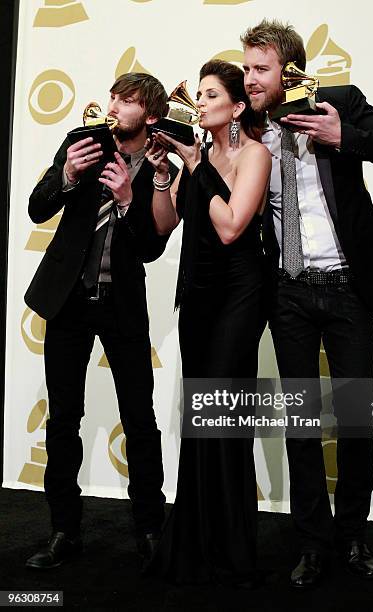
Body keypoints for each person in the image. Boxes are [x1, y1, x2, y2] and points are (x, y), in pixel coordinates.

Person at [241, 19, 373, 587]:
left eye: (260, 69)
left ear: (289, 69)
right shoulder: (248, 125)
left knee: (354, 420)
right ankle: (313, 543)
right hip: (288, 293)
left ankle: (354, 538)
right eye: (245, 68)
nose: (249, 79)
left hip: (347, 291)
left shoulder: (338, 103)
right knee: (299, 425)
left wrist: (347, 139)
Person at [24, 72, 176, 569]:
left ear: (150, 115)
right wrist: (67, 174)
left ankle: (150, 529)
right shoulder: (81, 143)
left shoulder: (162, 163)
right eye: (113, 95)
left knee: (140, 419)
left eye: (126, 100)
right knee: (64, 419)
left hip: (122, 303)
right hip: (68, 299)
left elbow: (152, 247)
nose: (113, 105)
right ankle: (64, 530)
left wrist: (132, 199)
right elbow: (36, 208)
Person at [144, 59, 271, 584]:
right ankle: (197, 538)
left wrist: (196, 167)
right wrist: (160, 173)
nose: (199, 101)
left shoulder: (253, 155)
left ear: (237, 106)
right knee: (204, 421)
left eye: (211, 93)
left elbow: (231, 226)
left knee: (222, 414)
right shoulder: (194, 157)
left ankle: (230, 545)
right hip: (196, 298)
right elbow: (163, 223)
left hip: (240, 294)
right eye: (197, 93)